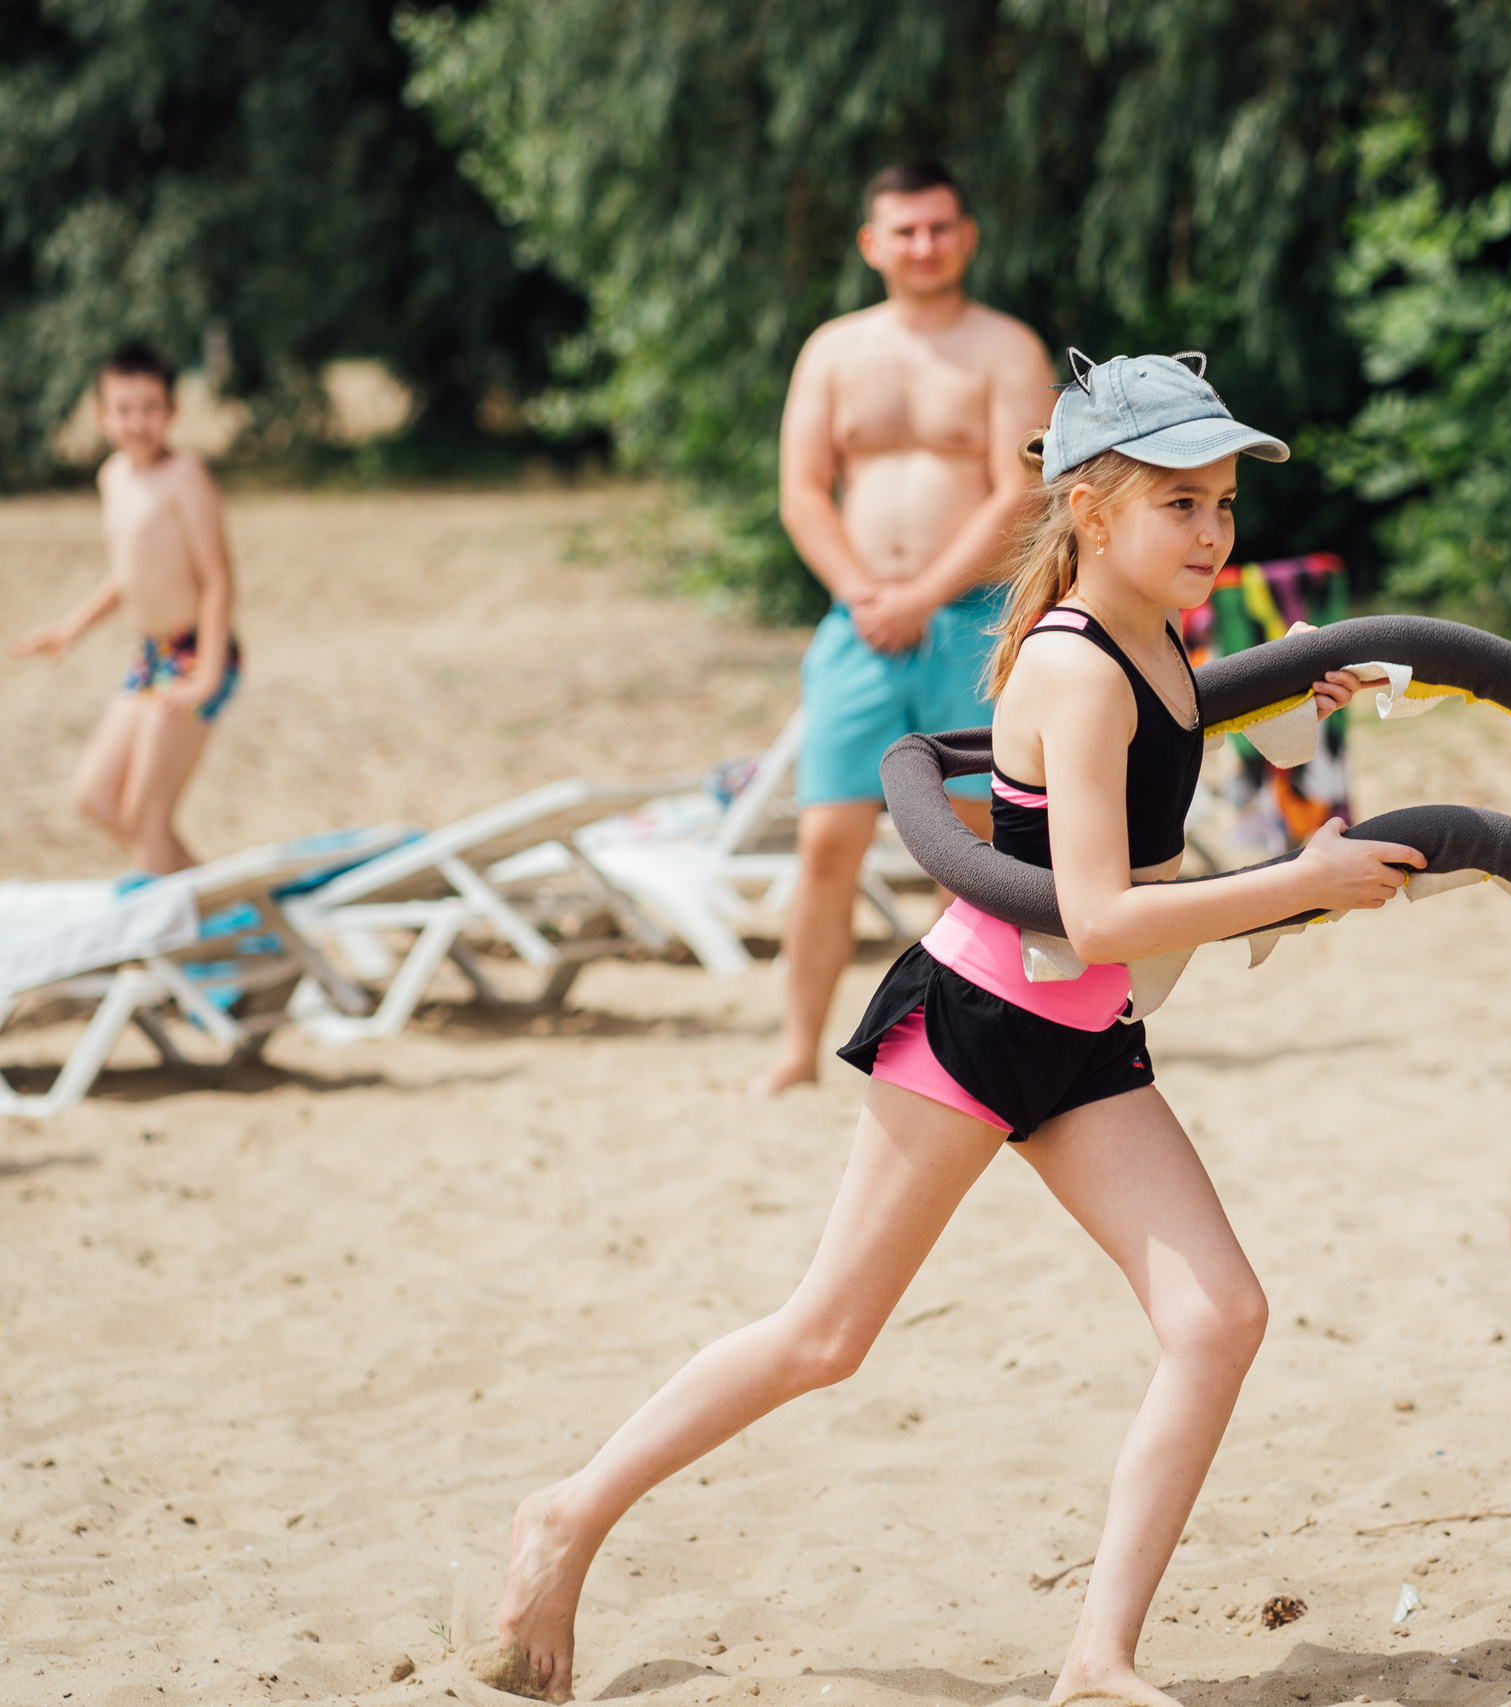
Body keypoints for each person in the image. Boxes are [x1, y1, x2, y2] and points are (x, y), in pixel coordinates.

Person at [473, 351, 1424, 1706]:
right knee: (826, 1335)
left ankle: (1098, 1655)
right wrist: (1306, 881)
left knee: (1220, 1315)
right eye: (1181, 505)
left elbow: (1182, 749)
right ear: (1093, 508)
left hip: (1087, 1040)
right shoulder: (1079, 665)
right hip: (982, 1018)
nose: (1213, 533)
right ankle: (565, 1511)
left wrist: (1287, 715)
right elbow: (1096, 910)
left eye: (1222, 504)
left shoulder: (1163, 629)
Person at [747, 158, 1057, 1097]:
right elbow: (802, 491)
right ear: (872, 244)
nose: (923, 245)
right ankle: (797, 1051)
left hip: (970, 619)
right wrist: (867, 594)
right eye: (905, 230)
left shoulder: (1009, 349)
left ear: (965, 236)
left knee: (972, 844)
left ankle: (967, 1041)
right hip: (860, 621)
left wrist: (923, 593)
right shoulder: (834, 350)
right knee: (826, 841)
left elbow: (1022, 488)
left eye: (939, 228)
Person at [13, 342, 241, 875]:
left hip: (194, 654)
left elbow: (217, 580)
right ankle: (228, 907)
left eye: (150, 408)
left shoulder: (185, 476)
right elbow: (130, 575)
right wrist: (71, 628)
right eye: (123, 410)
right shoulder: (113, 478)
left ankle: (163, 951)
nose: (137, 422)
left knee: (146, 813)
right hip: (151, 655)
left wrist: (206, 674)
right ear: (101, 416)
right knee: (95, 797)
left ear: (172, 412)